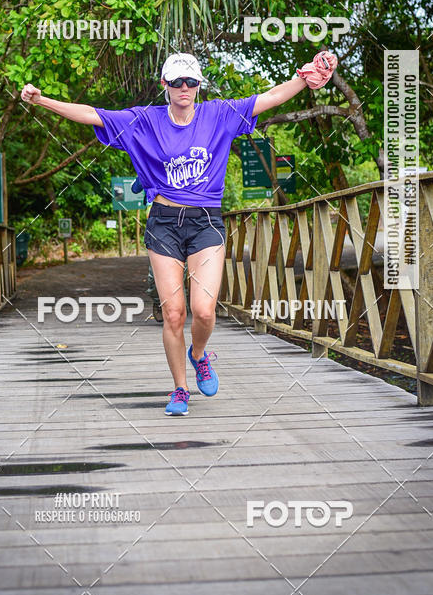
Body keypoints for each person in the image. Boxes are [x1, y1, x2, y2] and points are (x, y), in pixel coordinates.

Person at [21, 49, 337, 416]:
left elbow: (269, 98)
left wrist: (304, 77)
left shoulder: (219, 114)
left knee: (203, 311)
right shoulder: (144, 120)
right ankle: (180, 389)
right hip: (164, 223)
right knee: (173, 313)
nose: (184, 88)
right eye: (176, 82)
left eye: (190, 81)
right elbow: (92, 113)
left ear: (199, 85)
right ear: (165, 85)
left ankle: (199, 354)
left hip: (206, 222)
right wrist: (41, 100)